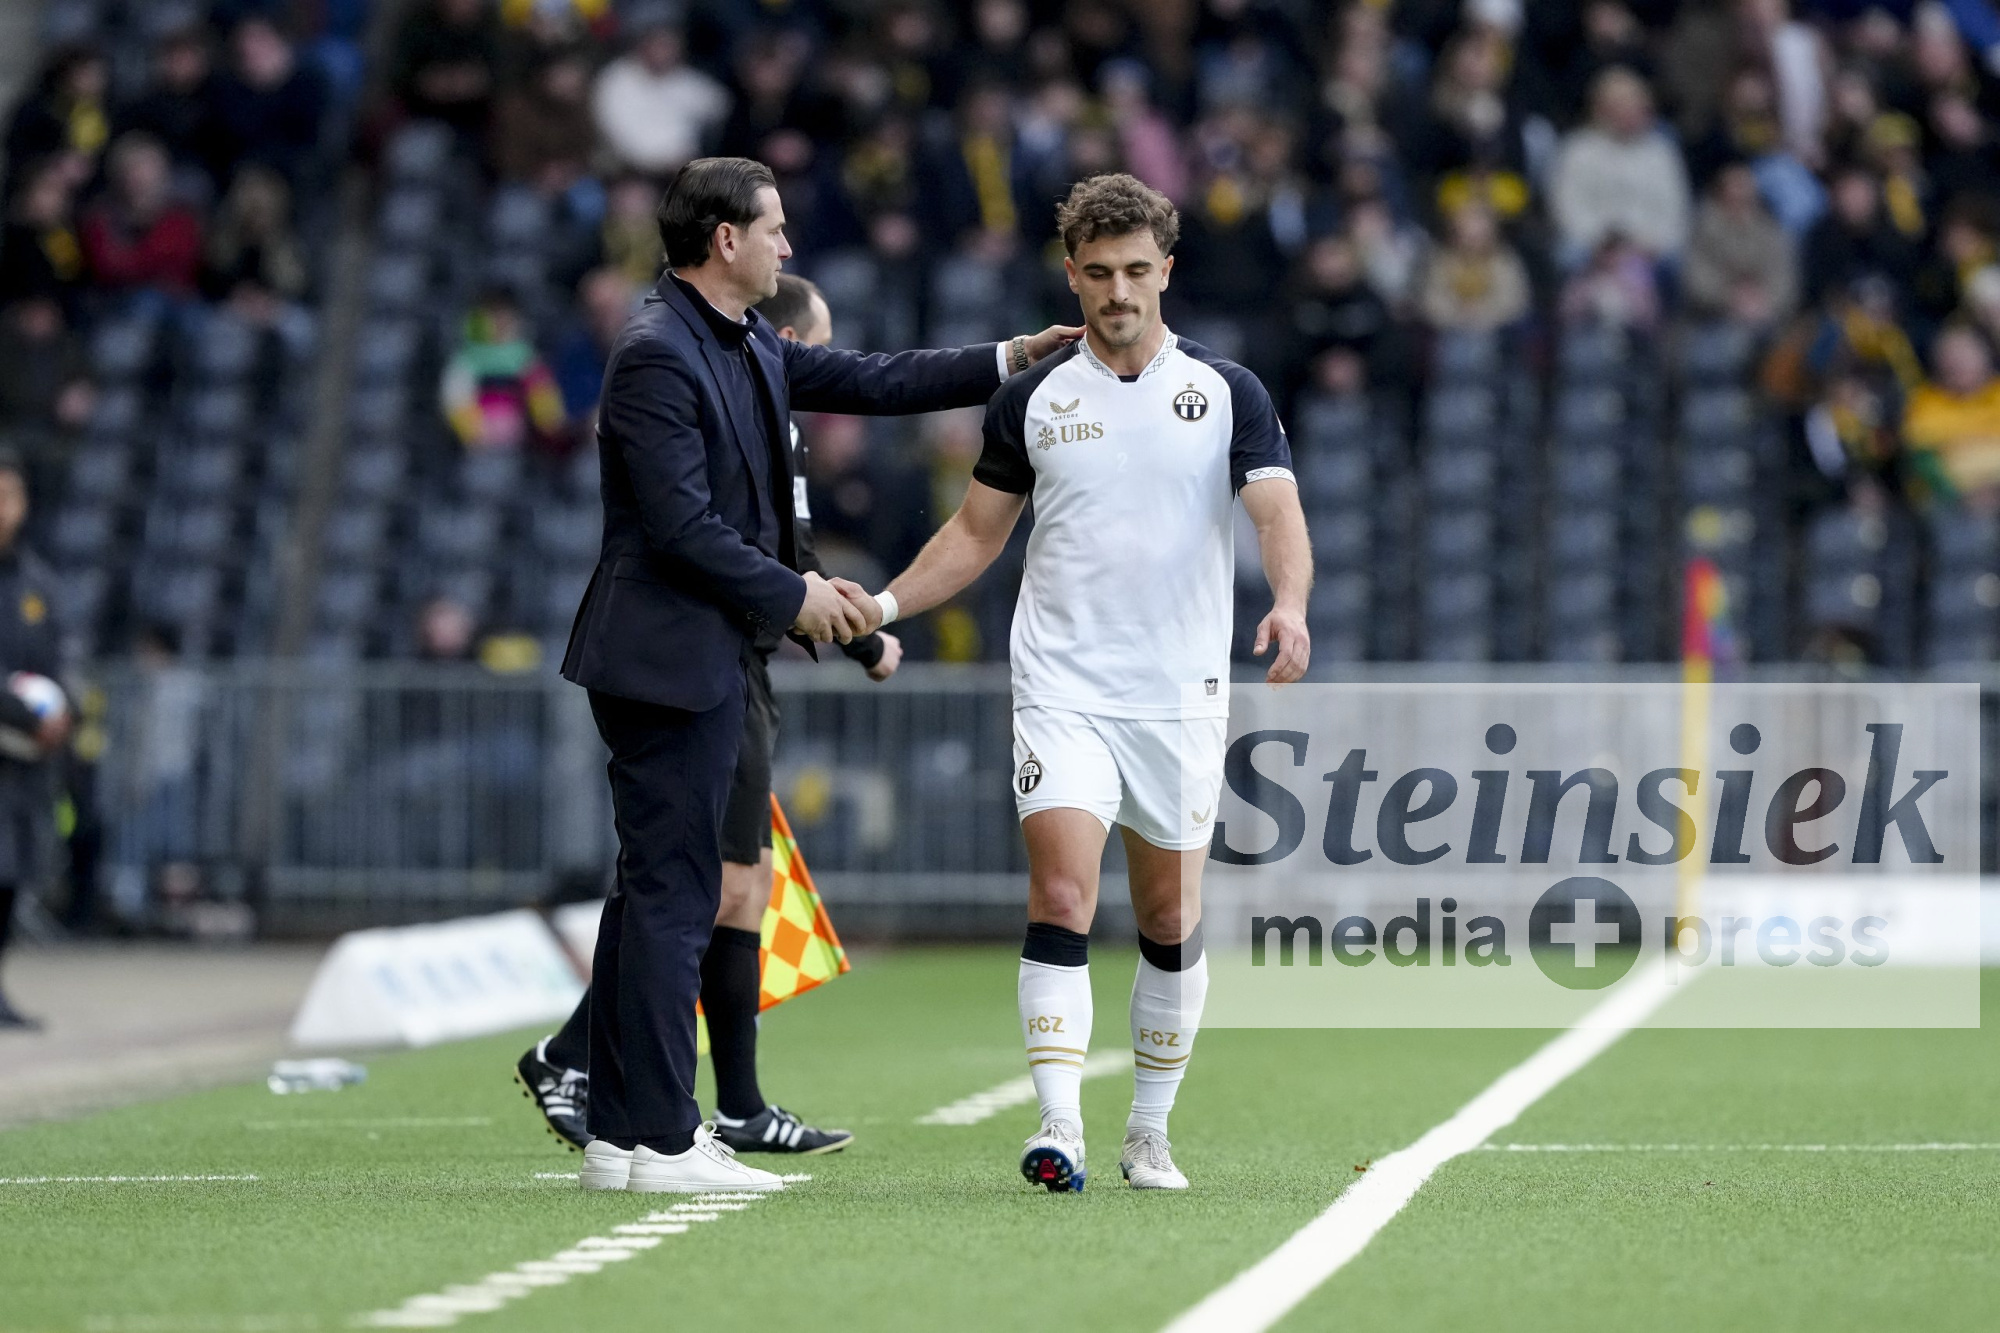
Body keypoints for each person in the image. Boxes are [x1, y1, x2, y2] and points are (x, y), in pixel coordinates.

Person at [557, 156, 1076, 1195]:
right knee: (673, 896)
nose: (788, 245)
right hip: (666, 656)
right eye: (775, 228)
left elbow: (870, 380)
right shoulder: (657, 353)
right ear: (726, 240)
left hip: (699, 651)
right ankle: (665, 1140)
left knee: (654, 892)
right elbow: (679, 527)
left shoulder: (741, 336)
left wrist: (1010, 356)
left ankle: (619, 1134)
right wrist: (796, 594)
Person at [845, 173, 1313, 1192]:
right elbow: (974, 535)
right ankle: (1057, 1123)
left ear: (1166, 271)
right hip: (1061, 684)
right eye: (1098, 273)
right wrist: (881, 606)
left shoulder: (1226, 390)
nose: (1118, 291)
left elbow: (1276, 510)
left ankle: (1148, 1130)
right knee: (1060, 891)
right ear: (1071, 275)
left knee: (1167, 918)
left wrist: (1288, 602)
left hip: (1178, 692)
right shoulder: (1032, 398)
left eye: (1136, 270)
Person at [519, 274, 901, 1157]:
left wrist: (856, 637)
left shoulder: (772, 419)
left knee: (739, 884)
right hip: (712, 662)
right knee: (713, 885)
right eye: (816, 345)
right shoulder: (736, 399)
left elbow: (791, 550)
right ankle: (581, 1059)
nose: (820, 362)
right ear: (786, 343)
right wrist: (860, 640)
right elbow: (758, 549)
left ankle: (735, 1102)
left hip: (744, 663)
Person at [0, 453, 69, 1028]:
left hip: (22, 765)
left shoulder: (37, 584)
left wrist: (63, 711)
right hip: (15, 731)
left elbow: (59, 661)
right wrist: (23, 711)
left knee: (10, 878)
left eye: (8, 497)